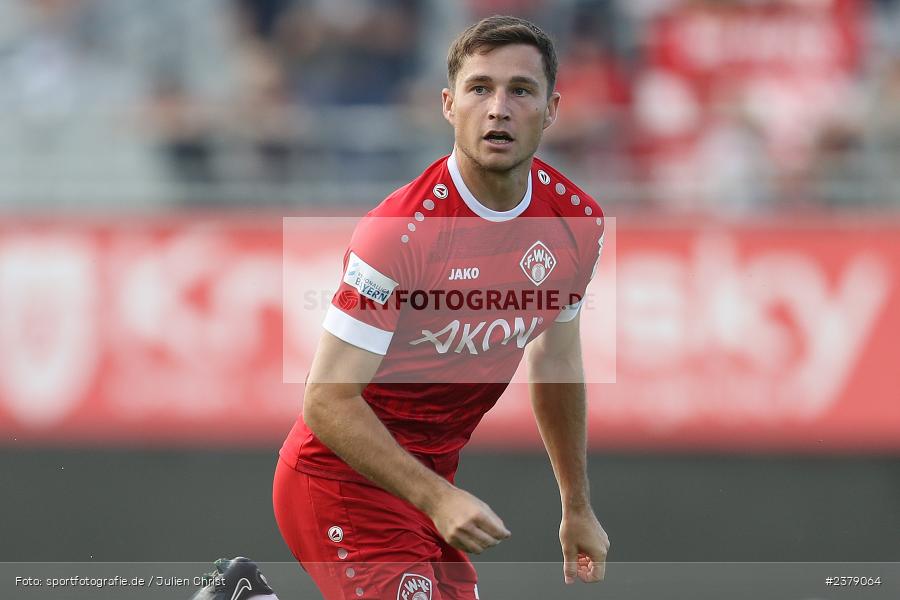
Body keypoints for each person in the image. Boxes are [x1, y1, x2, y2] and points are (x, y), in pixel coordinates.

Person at [273, 15, 610, 599]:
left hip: (423, 493)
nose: (499, 107)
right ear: (449, 105)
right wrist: (438, 497)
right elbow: (326, 398)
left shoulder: (576, 223)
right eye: (480, 88)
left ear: (552, 108)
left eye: (520, 90)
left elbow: (556, 363)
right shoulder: (400, 232)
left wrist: (576, 507)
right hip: (340, 481)